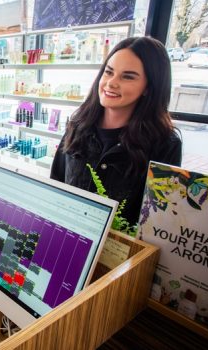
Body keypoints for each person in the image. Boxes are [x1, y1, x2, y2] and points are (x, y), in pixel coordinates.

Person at [50, 36, 182, 227]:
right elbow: (56, 185)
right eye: (109, 72)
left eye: (127, 76)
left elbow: (155, 222)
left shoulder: (164, 144)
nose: (111, 83)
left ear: (149, 87)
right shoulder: (78, 126)